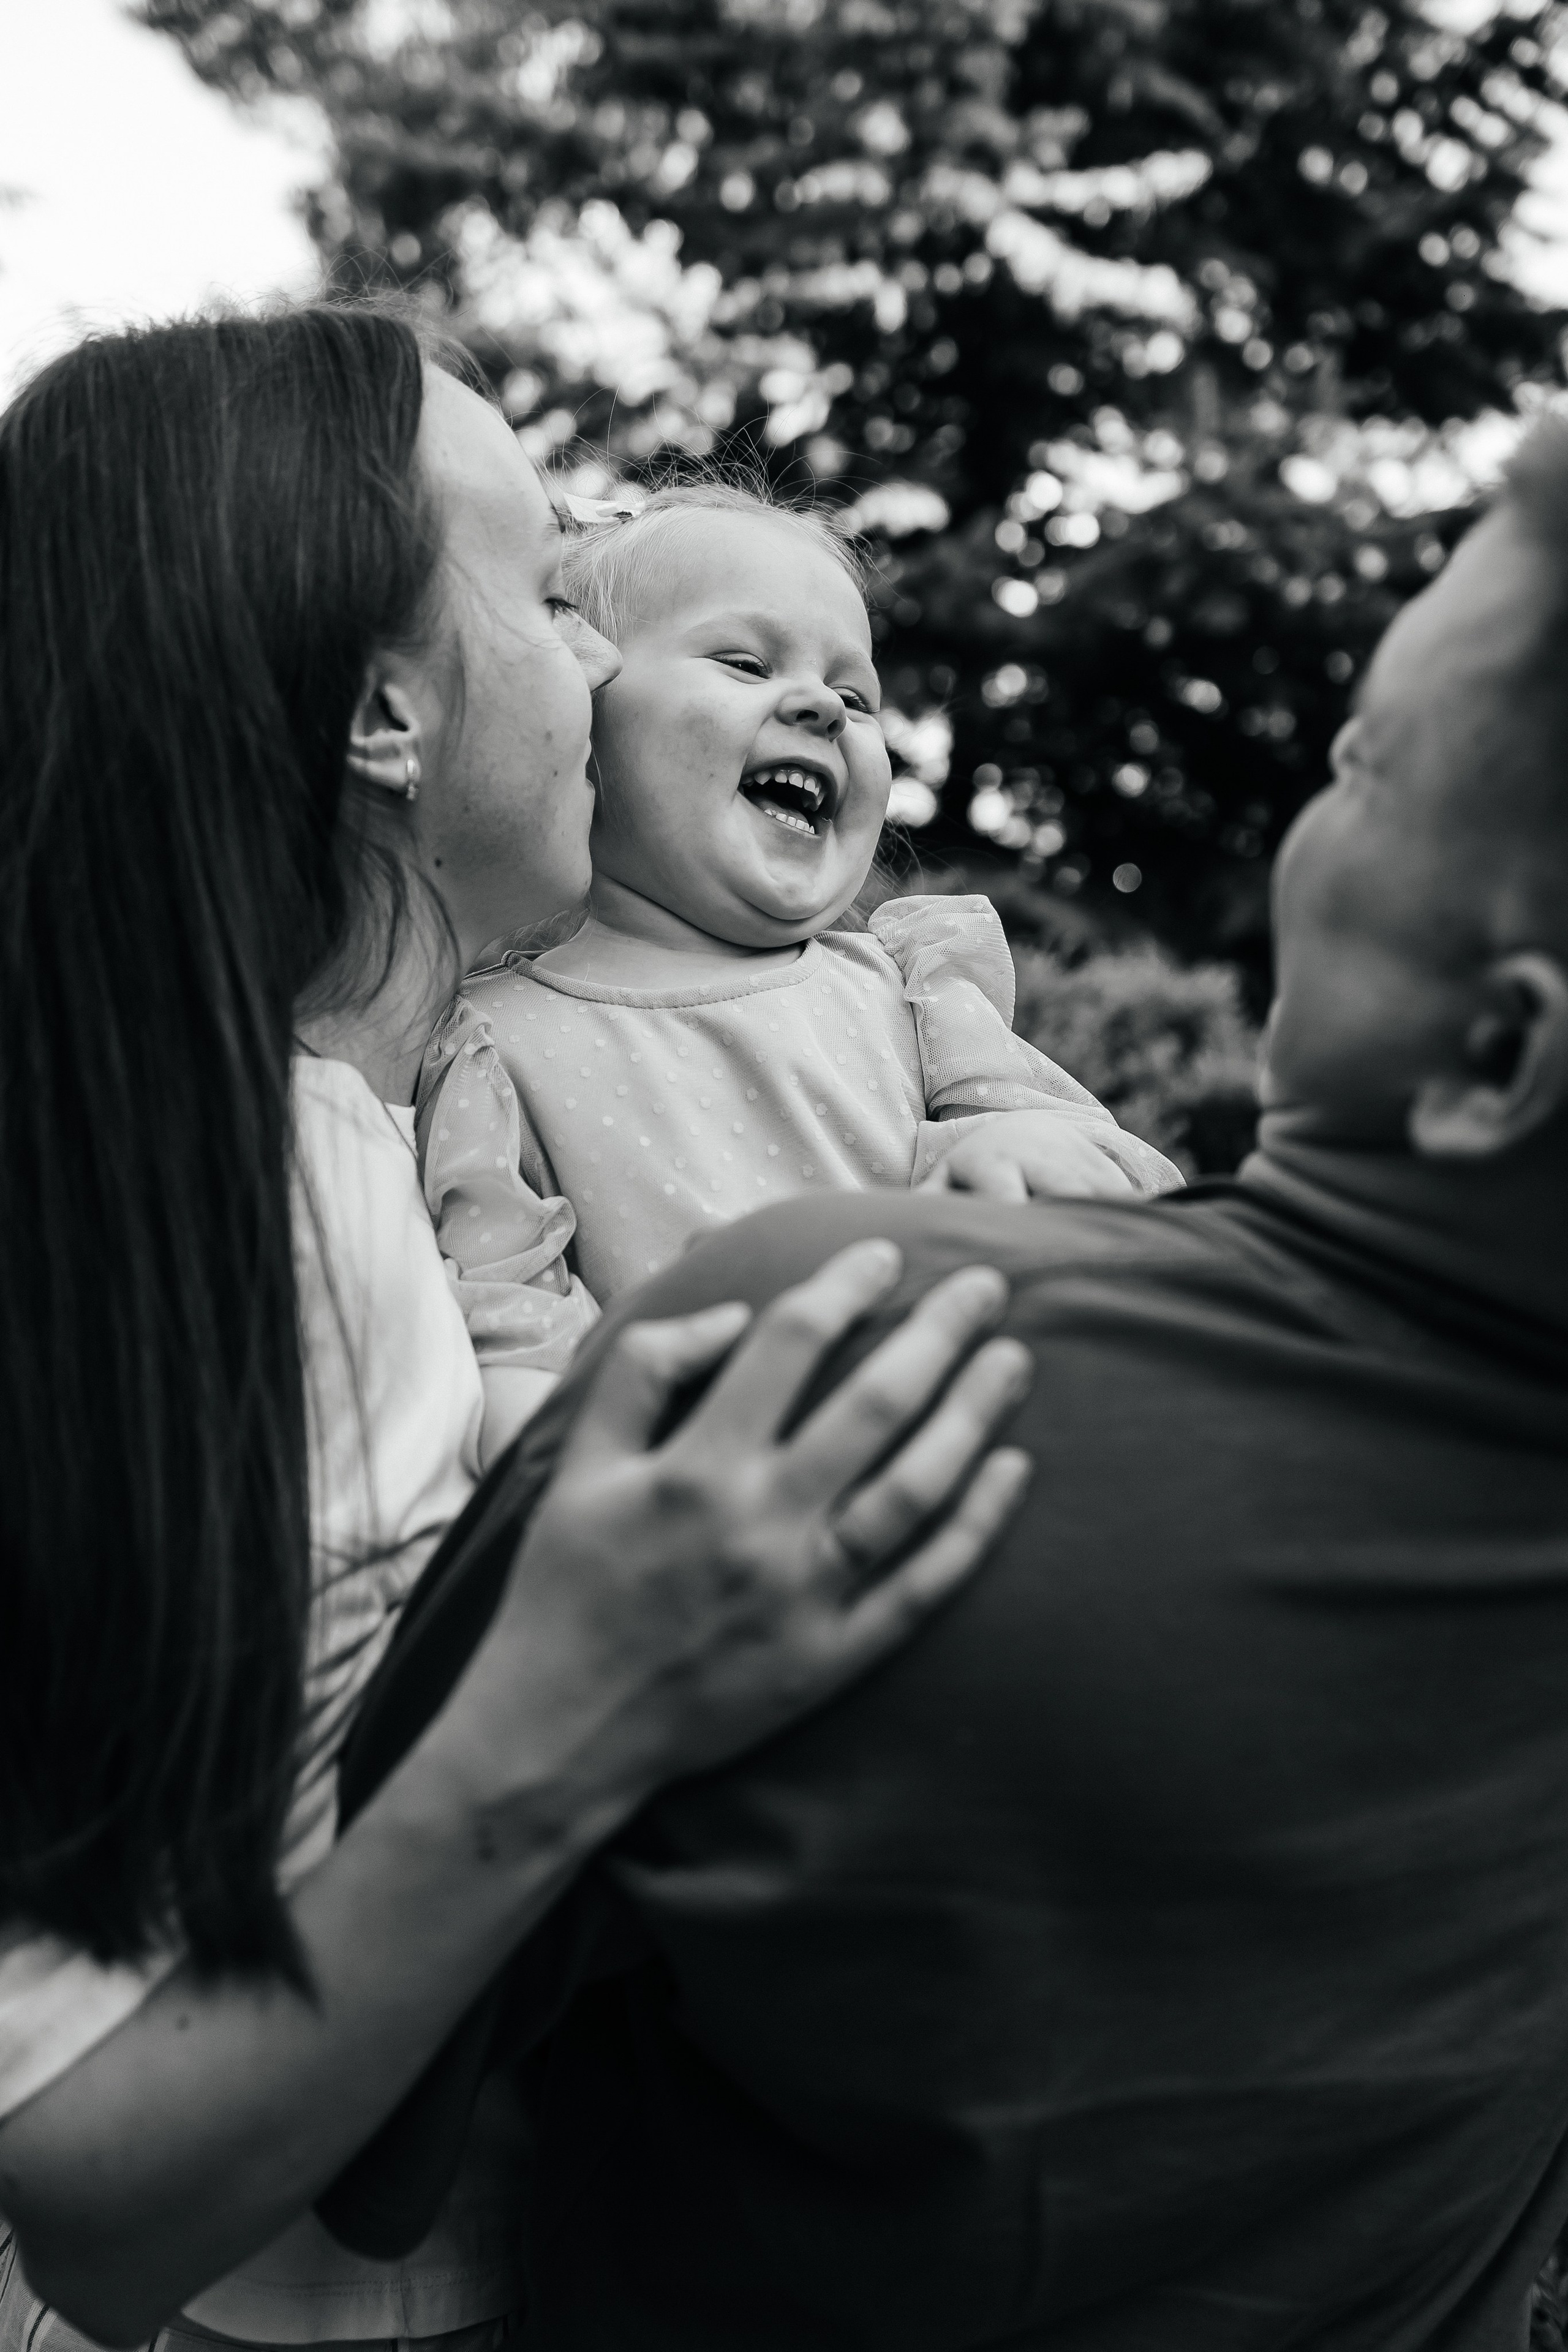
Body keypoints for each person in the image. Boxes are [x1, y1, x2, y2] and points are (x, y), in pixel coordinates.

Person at [317, 416, 1568, 2347]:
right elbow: (501, 1313)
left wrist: (995, 1118)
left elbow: (349, 2117)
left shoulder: (852, 1209)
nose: (824, 702)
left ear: (1498, 1058)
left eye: (1356, 769)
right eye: (740, 661)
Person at [0, 305, 1034, 2352]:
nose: (597, 656)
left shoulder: (332, 1140)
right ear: (387, 715)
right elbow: (96, 2197)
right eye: (560, 591)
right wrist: (596, 1689)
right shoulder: (267, 1215)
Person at [415, 481, 1179, 1457]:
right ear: (583, 707)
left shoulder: (915, 993)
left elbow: (1141, 1201)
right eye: (744, 661)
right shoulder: (484, 1047)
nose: (824, 707)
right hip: (730, 1524)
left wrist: (1015, 1141)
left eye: (857, 696)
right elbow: (514, 1333)